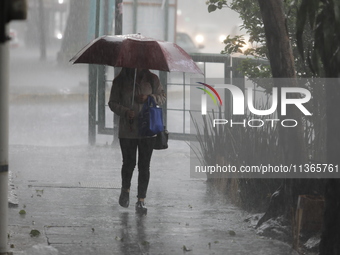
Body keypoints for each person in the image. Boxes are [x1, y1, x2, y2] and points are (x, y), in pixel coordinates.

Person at [108, 67, 166, 215]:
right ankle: (125, 190)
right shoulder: (120, 81)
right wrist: (126, 111)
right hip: (128, 130)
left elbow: (162, 97)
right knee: (129, 163)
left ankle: (141, 200)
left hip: (148, 130)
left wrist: (150, 97)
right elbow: (112, 103)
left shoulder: (152, 79)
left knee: (144, 166)